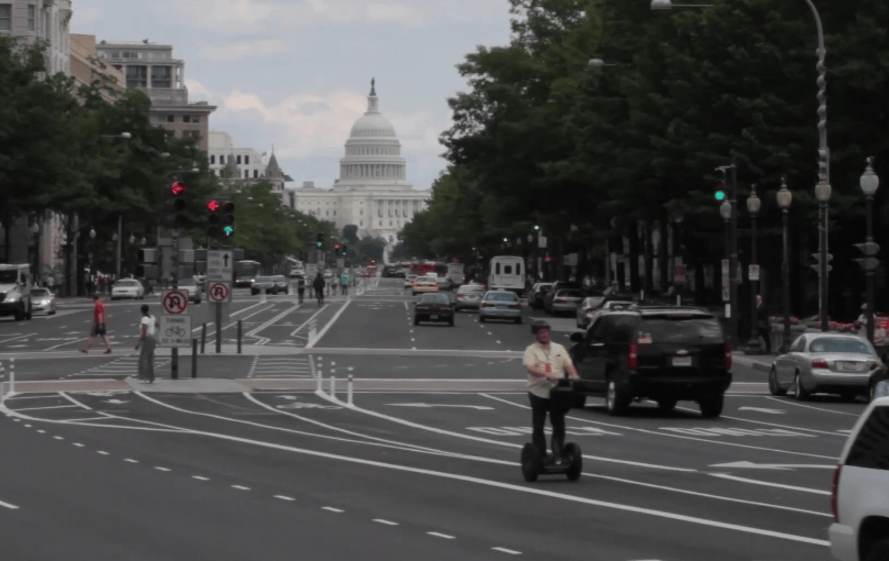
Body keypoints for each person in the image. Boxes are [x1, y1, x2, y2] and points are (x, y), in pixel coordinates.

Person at [523, 319, 579, 464]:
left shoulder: (559, 348)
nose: (544, 334)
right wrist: (545, 375)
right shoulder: (531, 350)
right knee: (538, 425)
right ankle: (540, 455)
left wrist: (573, 374)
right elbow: (530, 368)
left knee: (558, 423)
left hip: (557, 393)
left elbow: (568, 364)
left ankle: (558, 454)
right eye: (541, 332)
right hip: (538, 392)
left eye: (546, 331)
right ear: (536, 335)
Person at [134, 304, 158, 384]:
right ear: (148, 310)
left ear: (141, 311)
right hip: (153, 338)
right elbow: (157, 325)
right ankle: (151, 377)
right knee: (150, 359)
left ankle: (145, 377)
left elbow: (144, 332)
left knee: (143, 359)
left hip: (147, 339)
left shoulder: (144, 319)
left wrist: (138, 343)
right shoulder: (152, 317)